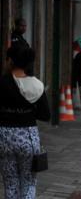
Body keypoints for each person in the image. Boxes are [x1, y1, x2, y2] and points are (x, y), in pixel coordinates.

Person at [0, 46, 50, 199]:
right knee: (28, 182)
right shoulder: (36, 85)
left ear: (10, 60)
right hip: (28, 137)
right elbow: (45, 115)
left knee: (10, 182)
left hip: (4, 137)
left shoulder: (2, 82)